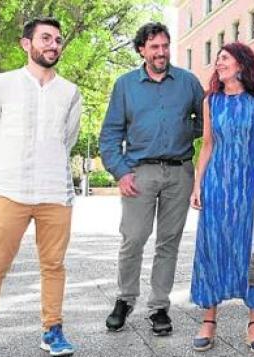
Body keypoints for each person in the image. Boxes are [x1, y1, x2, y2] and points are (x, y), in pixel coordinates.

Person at [0, 17, 82, 357]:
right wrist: (0, 166)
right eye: (45, 38)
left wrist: (48, 161)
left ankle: (52, 330)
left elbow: (67, 139)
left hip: (55, 191)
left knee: (54, 266)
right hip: (9, 190)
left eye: (57, 40)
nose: (53, 45)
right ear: (26, 44)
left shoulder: (70, 92)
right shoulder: (1, 84)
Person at [99, 22, 204, 335]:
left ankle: (159, 306)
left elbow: (207, 122)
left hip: (179, 171)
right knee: (133, 238)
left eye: (165, 46)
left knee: (168, 242)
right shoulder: (125, 85)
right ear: (141, 50)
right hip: (139, 172)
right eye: (154, 47)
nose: (161, 52)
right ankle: (124, 299)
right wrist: (120, 171)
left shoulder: (188, 82)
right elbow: (110, 134)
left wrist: (189, 134)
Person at [188, 42, 254, 355]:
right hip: (217, 184)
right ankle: (209, 319)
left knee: (250, 246)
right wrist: (197, 184)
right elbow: (207, 145)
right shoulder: (211, 100)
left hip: (251, 184)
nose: (219, 63)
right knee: (213, 246)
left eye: (225, 58)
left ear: (242, 64)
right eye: (217, 59)